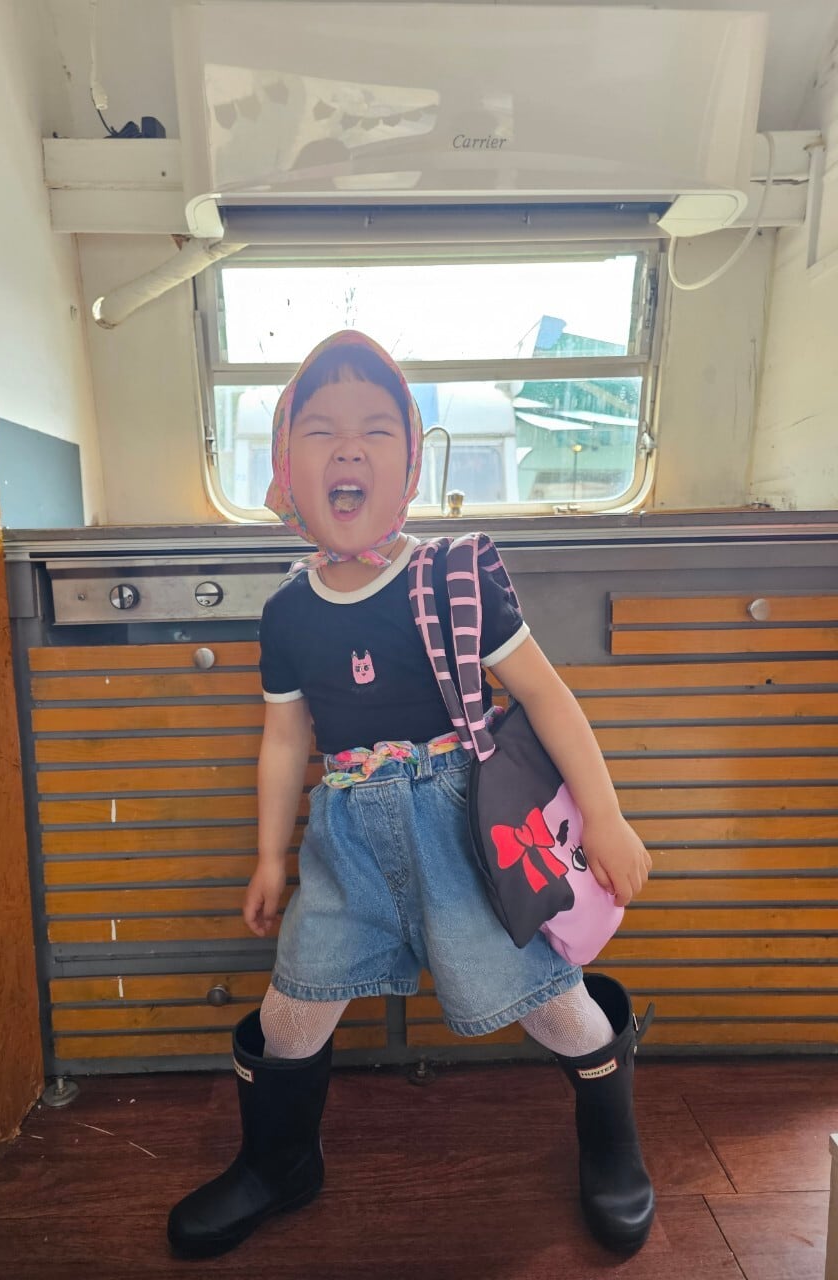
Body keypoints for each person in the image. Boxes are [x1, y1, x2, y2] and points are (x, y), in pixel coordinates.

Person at [167, 329, 654, 1260]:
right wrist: (270, 857)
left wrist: (607, 817)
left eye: (376, 430)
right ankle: (279, 1164)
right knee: (292, 1008)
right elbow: (285, 738)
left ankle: (613, 1142)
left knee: (551, 1001)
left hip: (462, 837)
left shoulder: (454, 576)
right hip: (343, 846)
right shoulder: (287, 610)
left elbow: (547, 696)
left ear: (411, 465)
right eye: (320, 430)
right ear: (286, 467)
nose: (348, 448)